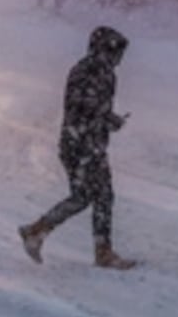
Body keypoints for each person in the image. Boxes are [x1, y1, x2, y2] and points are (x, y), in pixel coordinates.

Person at [18, 25, 136, 270]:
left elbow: (92, 109)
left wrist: (107, 120)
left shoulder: (103, 73)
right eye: (114, 52)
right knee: (99, 196)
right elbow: (81, 109)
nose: (117, 60)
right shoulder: (87, 71)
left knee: (85, 197)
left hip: (85, 143)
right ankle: (101, 251)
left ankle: (37, 230)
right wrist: (107, 120)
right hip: (82, 144)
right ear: (102, 49)